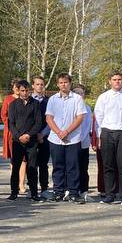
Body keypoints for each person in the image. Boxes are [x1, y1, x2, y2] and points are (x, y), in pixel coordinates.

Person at [94, 72, 122, 206]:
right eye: (114, 80)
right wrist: (99, 135)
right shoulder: (103, 97)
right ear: (110, 81)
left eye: (119, 79)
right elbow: (98, 117)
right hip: (107, 133)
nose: (117, 82)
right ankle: (109, 195)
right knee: (108, 166)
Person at [44, 73, 87, 204]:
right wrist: (59, 132)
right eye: (61, 83)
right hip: (56, 138)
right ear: (57, 84)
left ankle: (73, 193)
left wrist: (67, 131)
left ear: (70, 83)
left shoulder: (78, 99)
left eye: (66, 82)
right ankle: (58, 192)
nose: (63, 85)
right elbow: (49, 118)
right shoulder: (52, 99)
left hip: (73, 138)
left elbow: (80, 117)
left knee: (73, 166)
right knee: (58, 166)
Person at [6, 80, 41, 201]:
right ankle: (13, 192)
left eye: (27, 91)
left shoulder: (35, 104)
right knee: (15, 167)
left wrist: (29, 135)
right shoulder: (13, 104)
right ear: (18, 90)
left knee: (32, 167)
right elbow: (11, 122)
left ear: (30, 91)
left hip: (31, 140)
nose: (25, 93)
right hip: (17, 141)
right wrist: (19, 136)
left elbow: (38, 122)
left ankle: (34, 192)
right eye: (22, 90)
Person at [74, 84, 93, 197]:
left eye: (81, 93)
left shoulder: (87, 108)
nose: (79, 95)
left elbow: (87, 126)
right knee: (72, 167)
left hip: (83, 142)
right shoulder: (71, 106)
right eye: (76, 93)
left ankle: (84, 190)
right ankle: (71, 189)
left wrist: (81, 138)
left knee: (83, 167)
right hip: (71, 141)